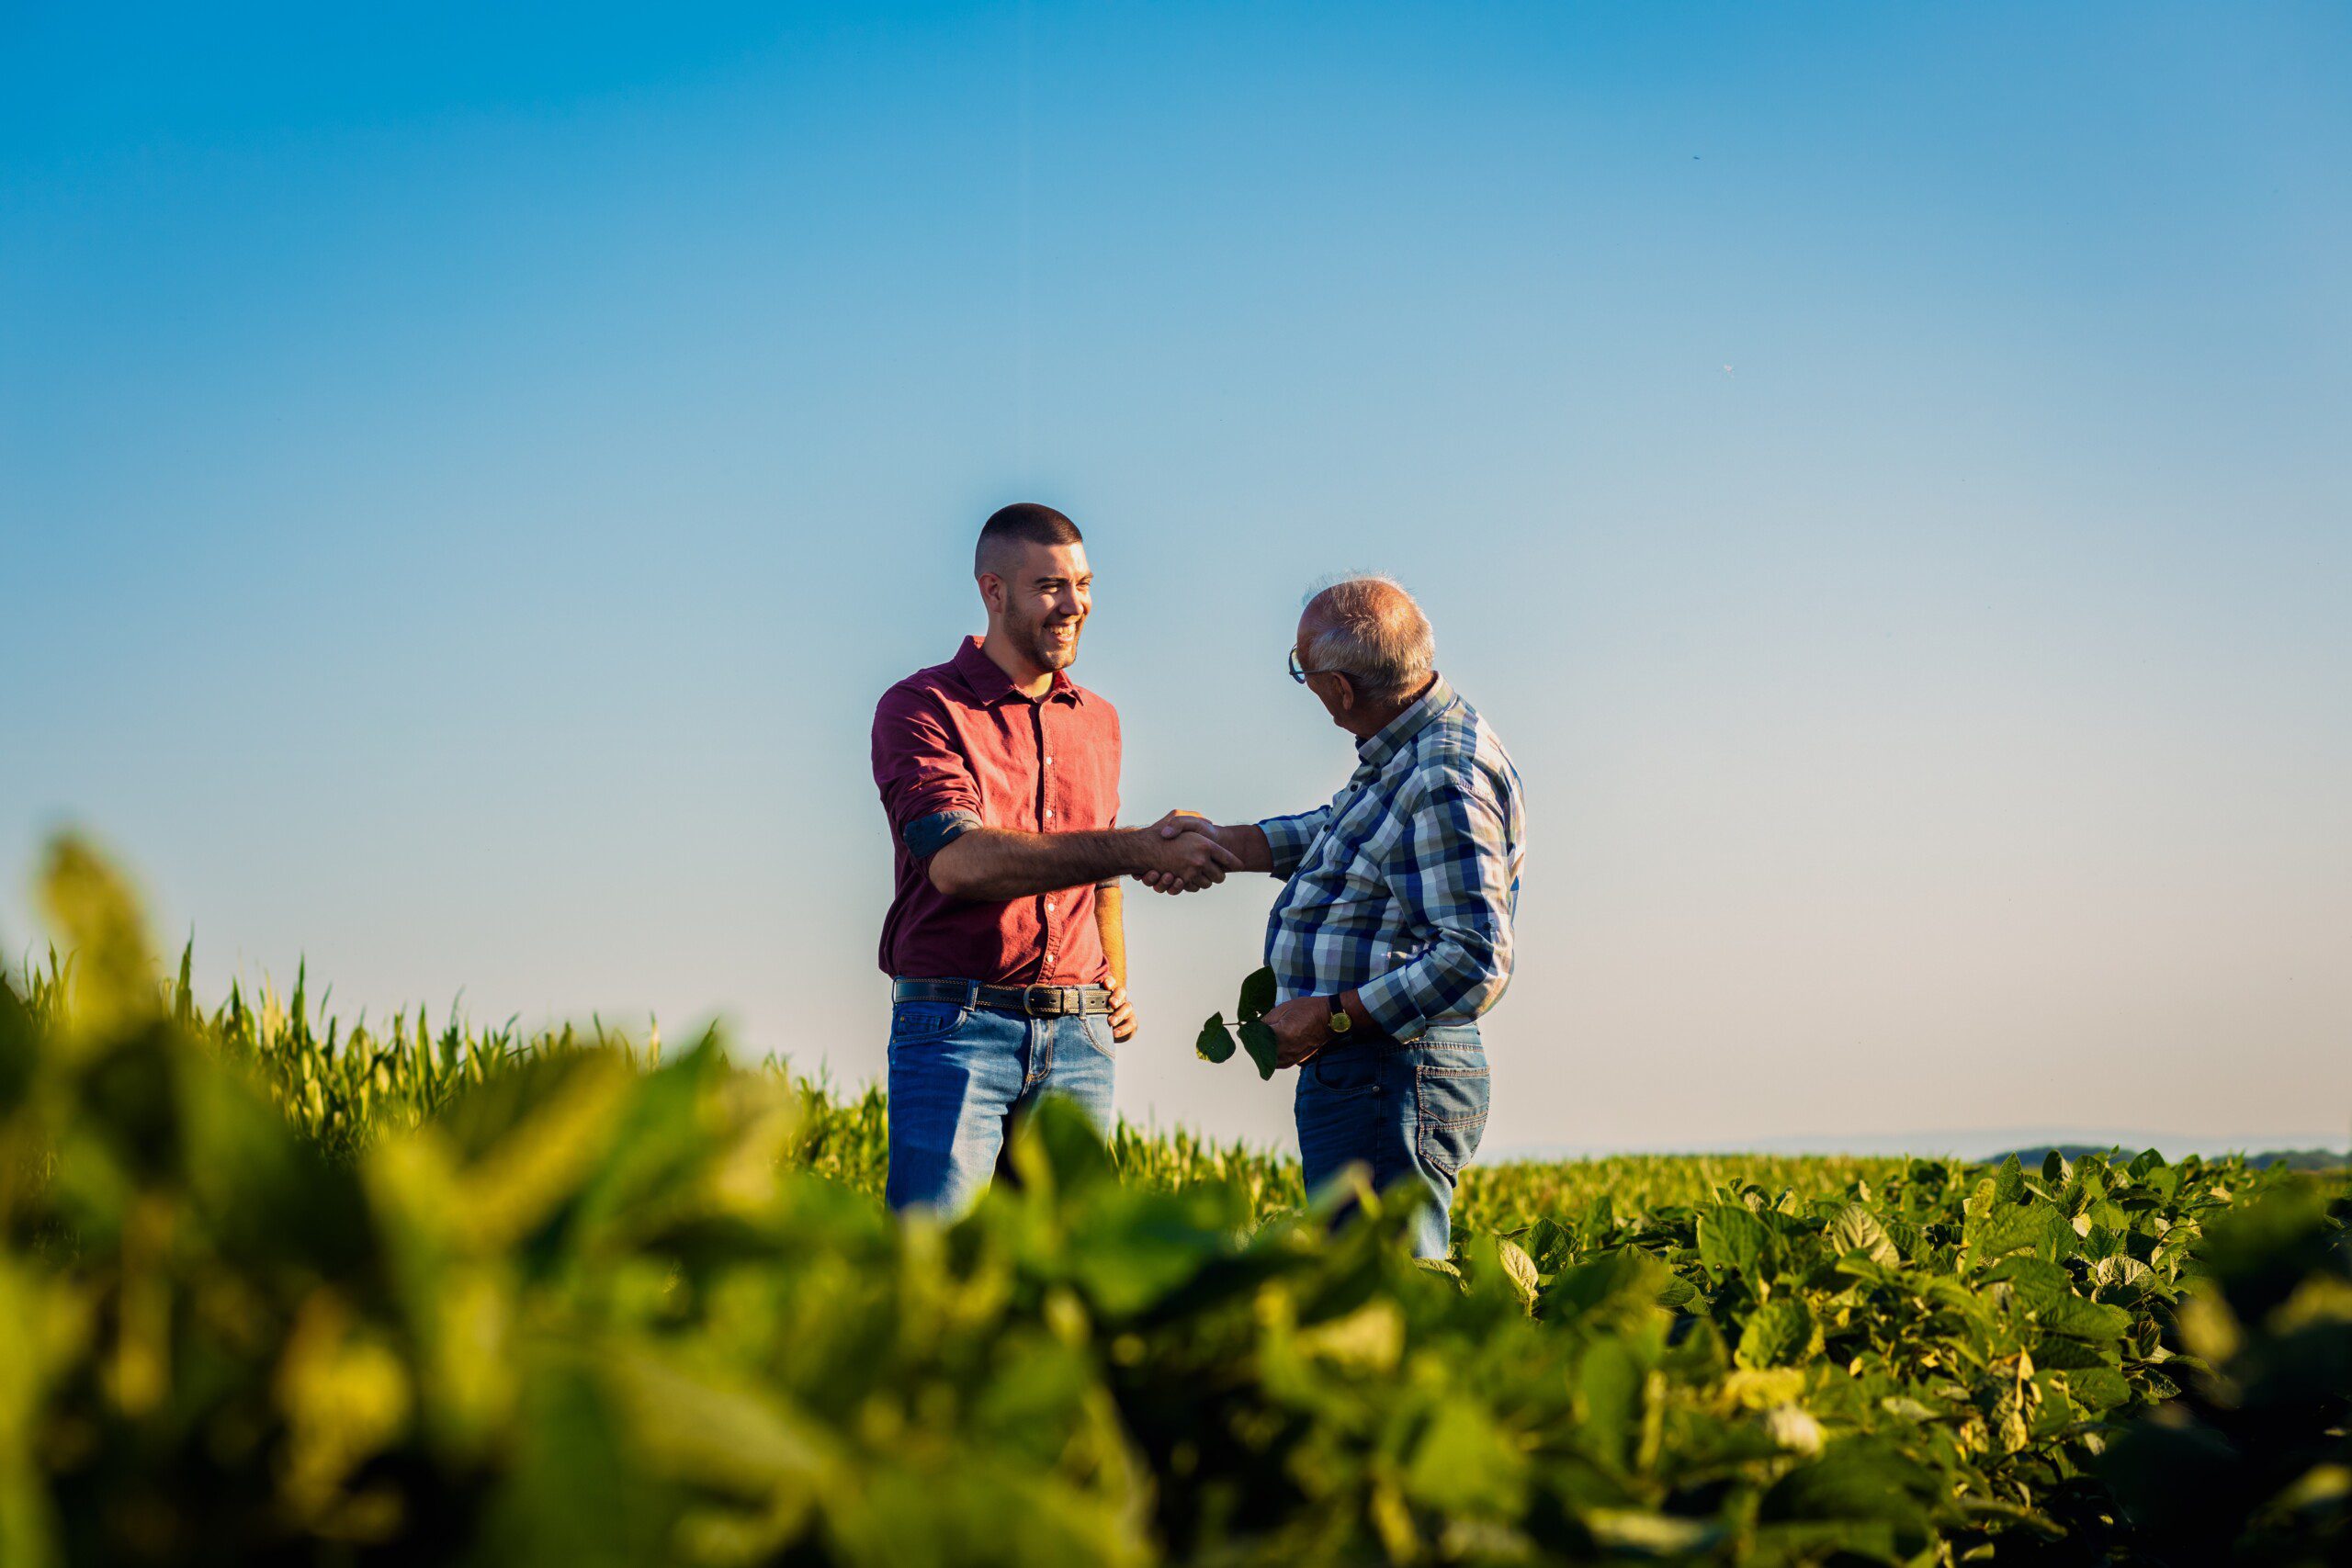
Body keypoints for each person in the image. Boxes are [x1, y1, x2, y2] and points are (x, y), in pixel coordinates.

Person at [870, 502, 1241, 1215]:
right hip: (955, 1029)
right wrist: (1138, 846)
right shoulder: (921, 706)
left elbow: (1097, 875)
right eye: (1050, 587)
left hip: (1080, 1039)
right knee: (933, 1272)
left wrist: (1114, 981)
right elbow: (956, 862)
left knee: (1065, 1282)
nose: (1075, 605)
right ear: (994, 591)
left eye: (1083, 583)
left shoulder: (1099, 721)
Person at [1147, 577, 1524, 1258]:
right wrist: (1224, 843)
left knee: (1380, 1296)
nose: (1307, 687)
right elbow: (1341, 833)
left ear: (1342, 688)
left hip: (1390, 1073)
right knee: (1359, 1285)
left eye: (1304, 671)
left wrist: (1333, 1013)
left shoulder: (1443, 771)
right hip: (1376, 1072)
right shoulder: (1407, 749)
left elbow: (1474, 957)